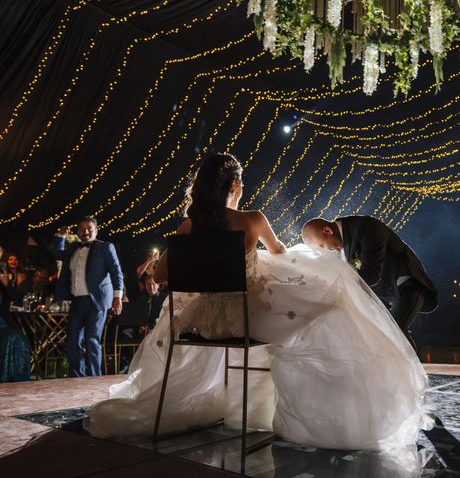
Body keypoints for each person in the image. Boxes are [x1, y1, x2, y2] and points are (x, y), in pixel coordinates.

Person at [84, 153, 434, 452]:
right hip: (243, 321)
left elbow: (160, 277)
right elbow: (279, 253)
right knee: (317, 313)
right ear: (234, 187)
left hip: (196, 323)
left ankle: (235, 407)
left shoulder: (187, 228)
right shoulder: (252, 220)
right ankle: (278, 413)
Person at [301, 216, 437, 353]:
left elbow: (371, 273)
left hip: (406, 284)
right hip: (384, 293)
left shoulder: (367, 227)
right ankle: (411, 372)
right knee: (386, 334)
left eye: (321, 246)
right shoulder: (342, 240)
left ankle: (416, 373)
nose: (325, 250)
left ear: (327, 231)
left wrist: (339, 290)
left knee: (396, 331)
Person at [53, 217, 124, 377]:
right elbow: (57, 254)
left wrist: (117, 296)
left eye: (89, 228)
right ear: (77, 231)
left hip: (97, 301)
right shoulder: (73, 248)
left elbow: (116, 271)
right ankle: (76, 378)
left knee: (92, 339)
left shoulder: (105, 247)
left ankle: (94, 379)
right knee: (72, 341)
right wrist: (61, 236)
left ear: (96, 230)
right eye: (81, 228)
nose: (85, 231)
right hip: (77, 300)